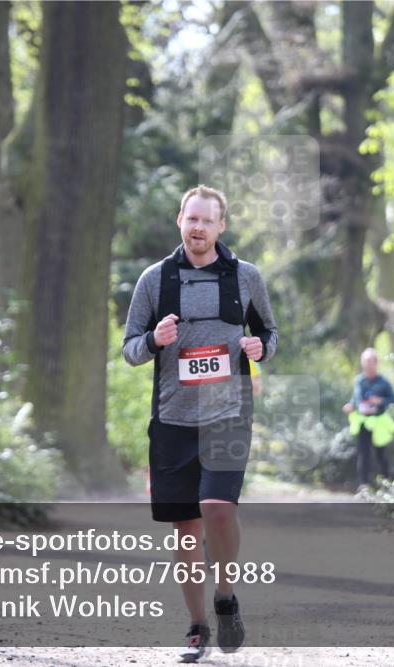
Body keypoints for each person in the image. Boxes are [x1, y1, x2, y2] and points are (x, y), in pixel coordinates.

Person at [122, 184, 279, 662]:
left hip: (227, 414)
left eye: (207, 221)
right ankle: (196, 627)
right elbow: (129, 348)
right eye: (191, 219)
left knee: (218, 509)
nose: (198, 228)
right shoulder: (155, 279)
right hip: (172, 420)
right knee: (186, 531)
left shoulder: (245, 277)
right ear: (180, 221)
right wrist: (154, 339)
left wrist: (259, 349)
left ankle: (226, 595)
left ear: (221, 226)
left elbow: (268, 332)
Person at [342, 348, 394, 493]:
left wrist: (381, 400)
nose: (367, 364)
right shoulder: (359, 381)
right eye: (364, 361)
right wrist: (350, 406)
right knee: (363, 453)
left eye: (369, 361)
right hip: (363, 421)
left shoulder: (383, 382)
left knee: (381, 454)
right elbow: (355, 399)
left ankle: (386, 484)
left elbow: (393, 400)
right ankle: (364, 484)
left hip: (379, 422)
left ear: (376, 363)